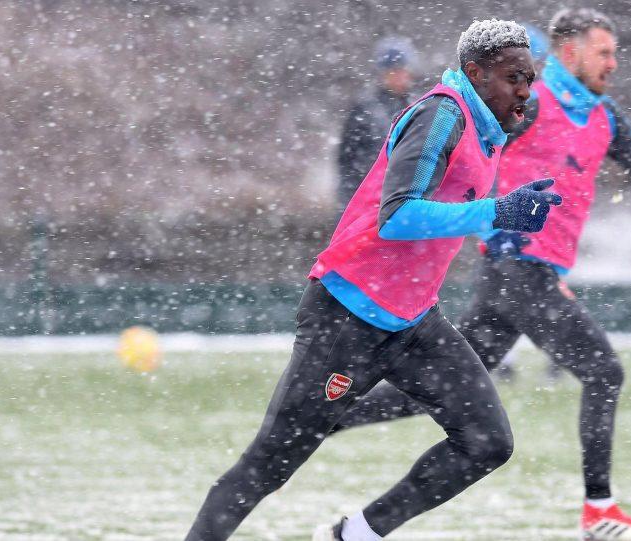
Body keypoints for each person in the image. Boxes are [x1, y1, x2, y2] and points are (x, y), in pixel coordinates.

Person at [334, 8, 631, 541]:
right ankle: (599, 514)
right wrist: (483, 224)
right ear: (569, 52)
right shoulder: (529, 106)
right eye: (603, 52)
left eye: (614, 52)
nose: (613, 62)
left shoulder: (606, 118)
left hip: (521, 276)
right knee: (605, 372)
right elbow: (464, 156)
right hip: (515, 271)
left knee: (448, 392)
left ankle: (328, 435)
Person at [184, 19, 560, 541]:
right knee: (268, 467)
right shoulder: (441, 115)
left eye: (530, 78)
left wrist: (505, 229)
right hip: (346, 317)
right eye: (514, 77)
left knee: (486, 442)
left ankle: (353, 536)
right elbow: (398, 216)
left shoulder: (487, 130)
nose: (525, 89)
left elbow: (456, 209)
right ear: (474, 74)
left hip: (412, 321)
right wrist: (497, 211)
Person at [336, 37, 416, 207]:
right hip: (371, 202)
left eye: (403, 70)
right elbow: (348, 164)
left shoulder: (417, 106)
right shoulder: (365, 109)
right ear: (383, 74)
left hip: (407, 204)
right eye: (393, 71)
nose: (400, 76)